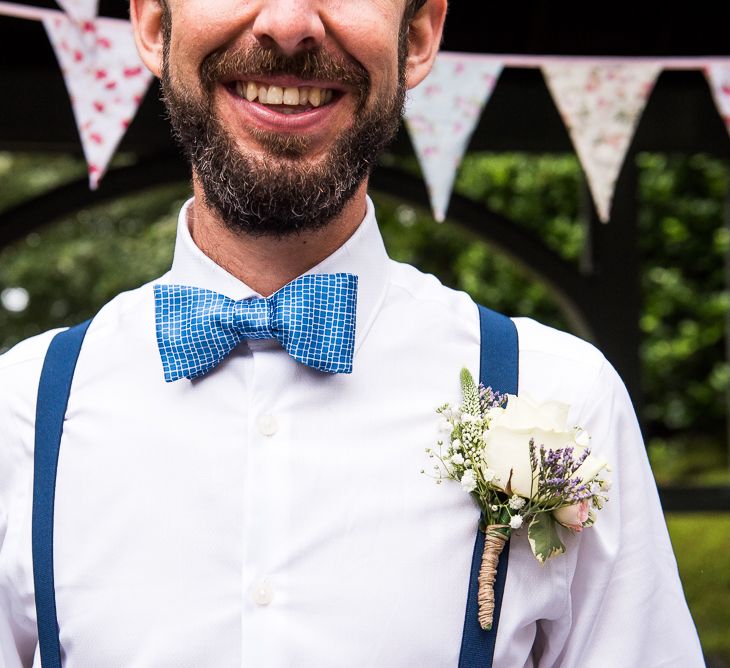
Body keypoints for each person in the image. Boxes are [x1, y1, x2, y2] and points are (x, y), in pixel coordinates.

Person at [0, 0, 705, 666]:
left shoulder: (561, 393)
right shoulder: (22, 410)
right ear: (154, 22)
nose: (288, 23)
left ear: (420, 34)